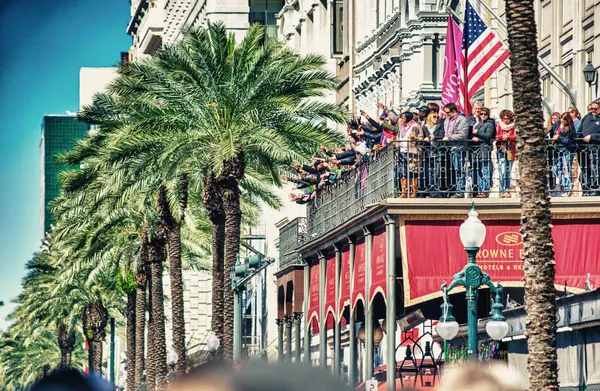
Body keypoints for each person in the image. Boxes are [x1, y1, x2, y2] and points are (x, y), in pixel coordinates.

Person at [384, 112, 423, 198]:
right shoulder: (402, 126)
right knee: (403, 172)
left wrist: (414, 138)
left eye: (403, 118)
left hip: (412, 152)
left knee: (413, 172)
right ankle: (404, 192)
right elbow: (399, 137)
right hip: (402, 151)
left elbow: (420, 139)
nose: (401, 120)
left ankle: (413, 192)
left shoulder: (415, 126)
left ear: (408, 119)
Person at [443, 103, 469, 197]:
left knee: (460, 169)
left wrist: (449, 138)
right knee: (453, 170)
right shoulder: (447, 120)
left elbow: (462, 135)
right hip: (449, 149)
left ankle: (460, 190)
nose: (446, 114)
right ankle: (454, 189)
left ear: (454, 111)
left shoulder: (462, 120)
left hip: (459, 148)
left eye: (448, 113)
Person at [471, 107, 496, 197]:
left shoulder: (490, 124)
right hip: (477, 149)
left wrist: (478, 132)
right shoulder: (479, 124)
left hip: (485, 148)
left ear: (488, 115)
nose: (483, 116)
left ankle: (485, 190)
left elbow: (488, 135)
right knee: (479, 171)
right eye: (481, 114)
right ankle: (480, 189)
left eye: (485, 114)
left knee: (485, 169)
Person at [551, 112, 578, 197]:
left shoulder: (570, 129)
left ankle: (568, 187)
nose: (563, 121)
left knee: (566, 170)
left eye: (565, 119)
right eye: (562, 118)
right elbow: (552, 132)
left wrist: (559, 137)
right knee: (556, 168)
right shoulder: (558, 124)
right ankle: (567, 185)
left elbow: (569, 141)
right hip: (557, 151)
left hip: (566, 151)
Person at [577, 100, 600, 195]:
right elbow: (579, 131)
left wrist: (592, 137)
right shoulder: (587, 117)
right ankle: (586, 189)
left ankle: (596, 188)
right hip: (583, 149)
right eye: (591, 109)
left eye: (595, 109)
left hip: (596, 148)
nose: (593, 110)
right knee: (585, 169)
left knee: (595, 168)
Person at [496, 109, 517, 198]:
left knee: (508, 171)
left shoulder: (513, 126)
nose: (505, 120)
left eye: (507, 118)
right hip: (501, 150)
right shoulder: (499, 125)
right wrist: (502, 137)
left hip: (509, 150)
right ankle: (501, 190)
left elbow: (516, 136)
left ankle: (507, 190)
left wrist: (509, 137)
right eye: (504, 118)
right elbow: (496, 136)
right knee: (502, 171)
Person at [423, 111, 445, 196]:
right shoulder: (425, 127)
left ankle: (437, 190)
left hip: (438, 151)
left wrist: (435, 137)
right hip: (428, 151)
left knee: (438, 172)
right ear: (429, 118)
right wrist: (425, 139)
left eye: (437, 117)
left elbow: (442, 135)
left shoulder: (439, 126)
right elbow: (422, 137)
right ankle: (429, 190)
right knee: (429, 171)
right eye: (434, 117)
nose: (436, 119)